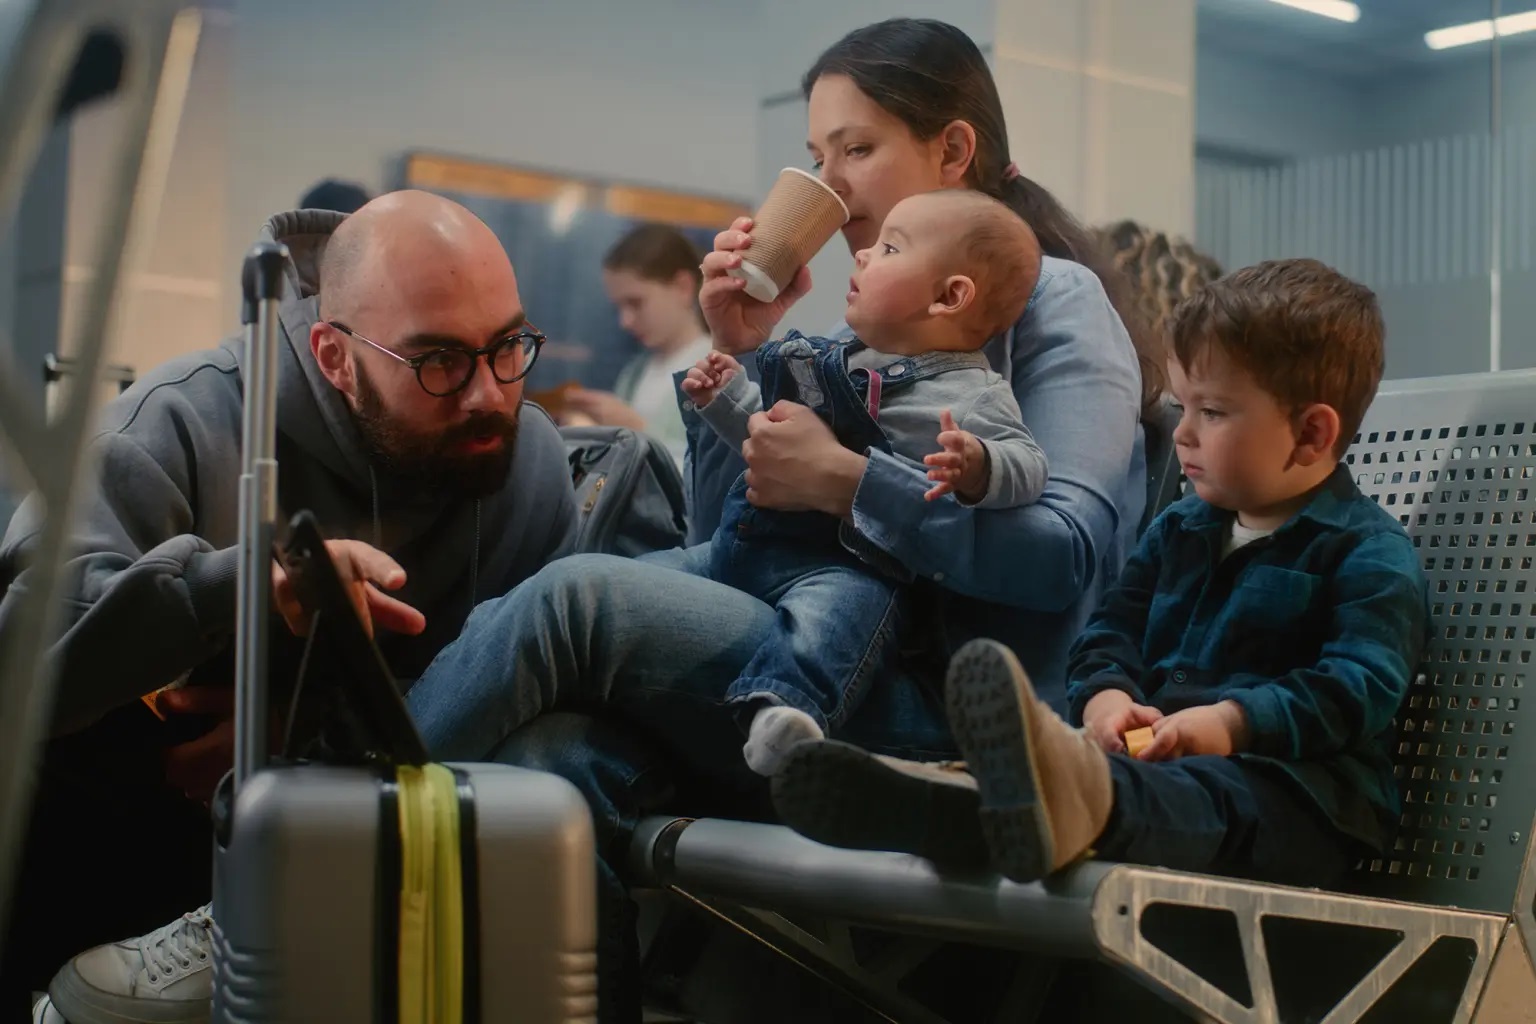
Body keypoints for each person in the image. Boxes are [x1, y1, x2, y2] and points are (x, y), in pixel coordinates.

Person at [398, 17, 1163, 1022]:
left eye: (856, 150)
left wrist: (848, 481)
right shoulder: (858, 337)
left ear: (952, 151)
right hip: (807, 660)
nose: (831, 185)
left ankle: (318, 828)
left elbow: (1067, 556)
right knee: (557, 765)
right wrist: (741, 344)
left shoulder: (1052, 305)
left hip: (950, 703)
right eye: (816, 158)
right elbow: (741, 541)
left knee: (574, 601)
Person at [3, 191, 578, 1022]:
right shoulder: (171, 426)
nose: (489, 395)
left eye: (507, 347)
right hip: (135, 854)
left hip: (395, 864)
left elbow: (525, 703)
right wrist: (238, 590)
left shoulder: (531, 467)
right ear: (334, 356)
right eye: (439, 362)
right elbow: (23, 664)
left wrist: (298, 744)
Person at [770, 258, 1428, 893]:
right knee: (1120, 780)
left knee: (1196, 795)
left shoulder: (1367, 553)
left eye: (1215, 412)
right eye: (1184, 406)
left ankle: (1032, 794)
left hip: (1294, 802)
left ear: (1312, 435)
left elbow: (1356, 687)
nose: (1186, 434)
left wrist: (1232, 722)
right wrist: (1107, 697)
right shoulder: (1181, 528)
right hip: (1157, 763)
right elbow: (1108, 631)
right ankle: (967, 803)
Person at [682, 190, 1049, 773]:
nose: (862, 256)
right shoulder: (839, 356)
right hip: (740, 543)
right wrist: (725, 398)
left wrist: (978, 464)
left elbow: (1030, 465)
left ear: (949, 296)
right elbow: (772, 440)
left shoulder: (971, 395)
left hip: (841, 563)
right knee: (633, 575)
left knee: (843, 612)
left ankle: (785, 709)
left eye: (889, 248)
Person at [558, 224, 712, 466]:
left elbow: (713, 479)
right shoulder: (635, 372)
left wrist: (634, 430)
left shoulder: (718, 371)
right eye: (619, 307)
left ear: (683, 287)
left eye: (636, 303)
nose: (625, 321)